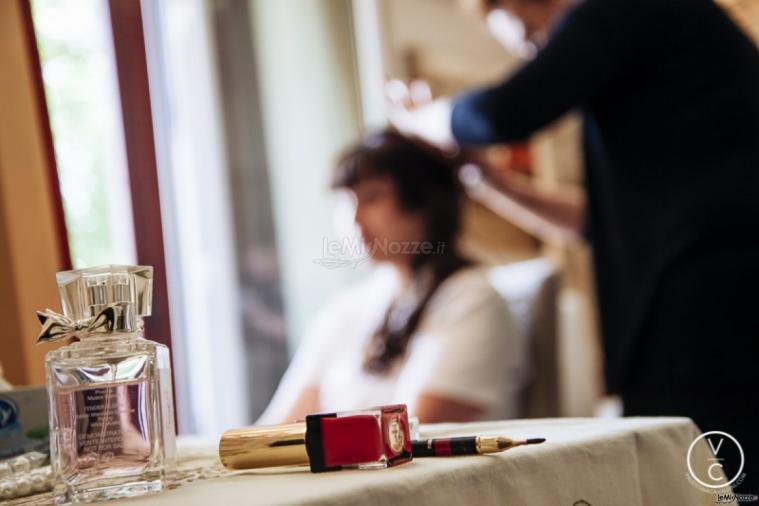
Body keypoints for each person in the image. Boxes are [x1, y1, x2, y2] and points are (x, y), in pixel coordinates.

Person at [391, 0, 759, 494]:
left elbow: (506, 111)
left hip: (711, 312)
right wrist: (491, 183)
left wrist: (424, 120)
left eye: (526, 33)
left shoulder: (623, 10)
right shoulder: (656, 63)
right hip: (694, 306)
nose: (535, 49)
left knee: (719, 487)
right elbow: (599, 222)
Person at [258, 131, 530, 424]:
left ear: (426, 201)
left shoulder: (471, 302)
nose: (353, 220)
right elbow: (276, 430)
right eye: (344, 201)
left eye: (372, 197)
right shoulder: (348, 308)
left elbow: (407, 436)